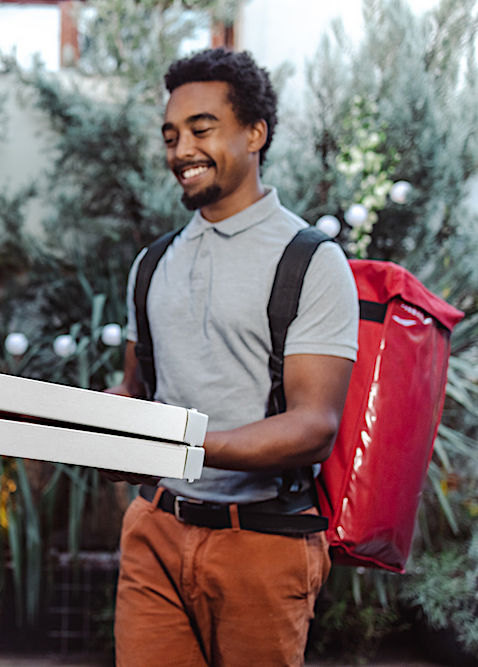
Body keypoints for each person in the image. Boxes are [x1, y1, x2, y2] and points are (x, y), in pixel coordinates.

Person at [105, 49, 359, 666]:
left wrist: (179, 443)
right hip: (154, 532)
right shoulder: (152, 264)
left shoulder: (311, 261)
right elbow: (136, 389)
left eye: (201, 128)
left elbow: (313, 426)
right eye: (170, 135)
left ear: (255, 133)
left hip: (263, 541)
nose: (180, 150)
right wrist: (90, 423)